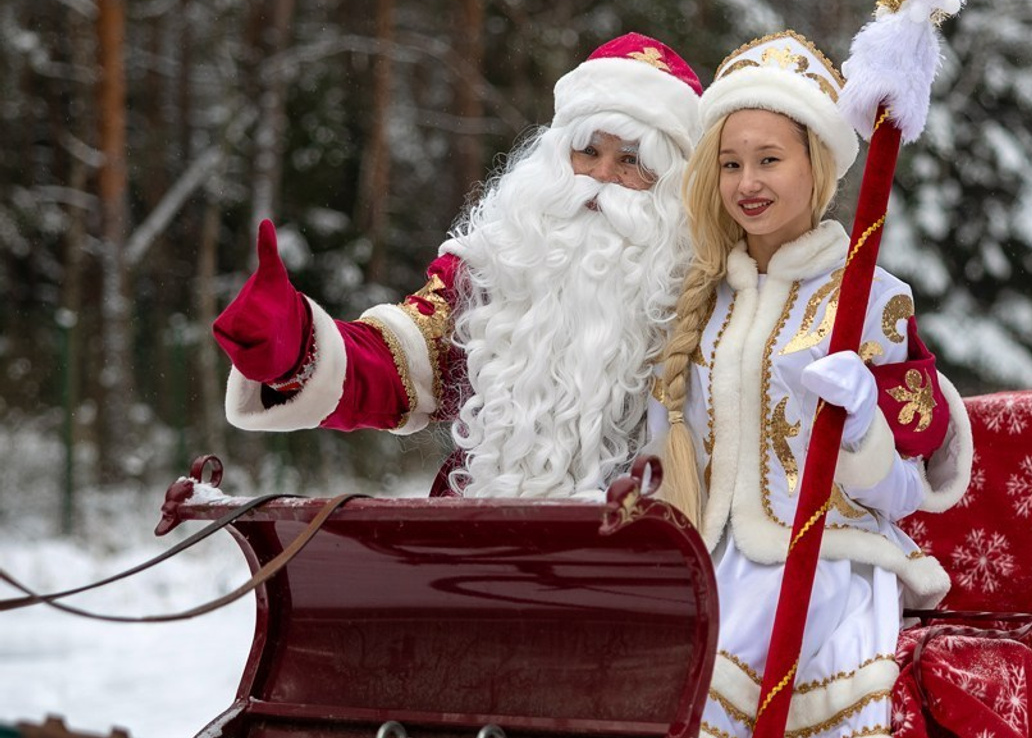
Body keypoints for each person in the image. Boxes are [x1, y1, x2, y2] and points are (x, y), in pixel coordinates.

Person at [649, 30, 973, 738]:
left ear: (819, 165)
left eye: (771, 159)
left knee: (706, 688)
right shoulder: (706, 299)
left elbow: (906, 486)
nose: (749, 182)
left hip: (824, 557)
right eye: (732, 162)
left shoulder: (875, 298)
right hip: (714, 555)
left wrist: (865, 416)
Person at [213, 33, 703, 499]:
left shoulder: (703, 294)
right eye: (589, 151)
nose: (600, 177)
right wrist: (296, 344)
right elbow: (397, 360)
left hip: (645, 562)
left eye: (631, 161)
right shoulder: (491, 271)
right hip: (480, 545)